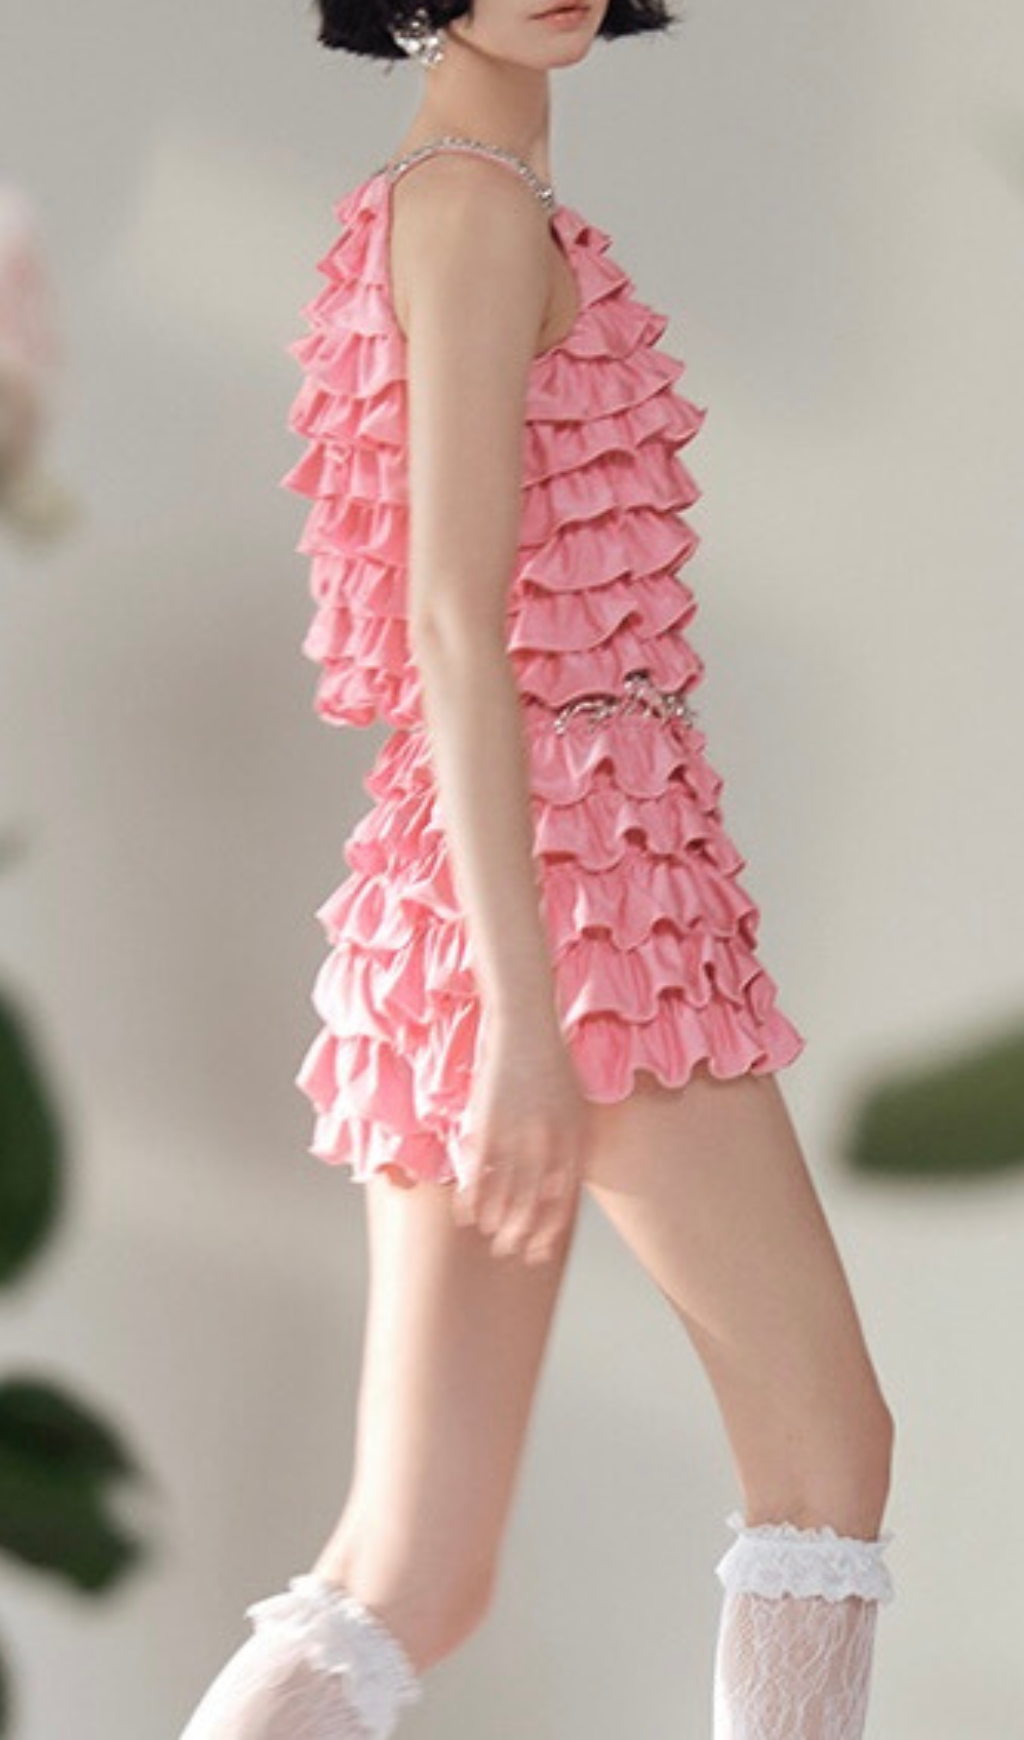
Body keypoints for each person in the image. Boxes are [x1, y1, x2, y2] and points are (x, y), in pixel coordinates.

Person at [179, 3, 896, 1735]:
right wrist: (521, 1015)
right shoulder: (474, 205)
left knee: (414, 1570)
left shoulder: (438, 195)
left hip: (461, 881)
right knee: (827, 1455)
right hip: (577, 887)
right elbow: (451, 619)